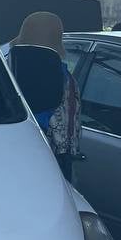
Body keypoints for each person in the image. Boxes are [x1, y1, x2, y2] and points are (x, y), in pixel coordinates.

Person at [9, 11, 82, 180]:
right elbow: (68, 133)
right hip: (46, 162)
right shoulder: (66, 81)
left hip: (9, 153)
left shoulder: (6, 72)